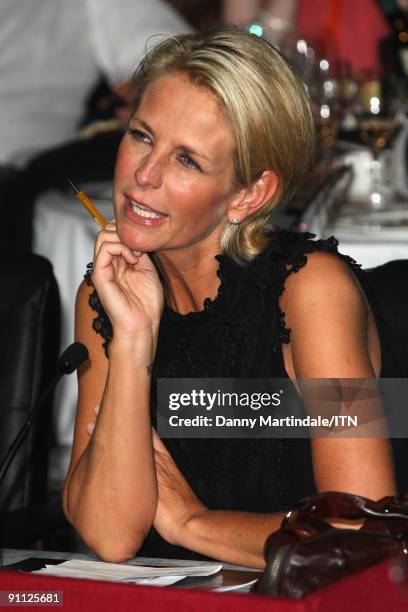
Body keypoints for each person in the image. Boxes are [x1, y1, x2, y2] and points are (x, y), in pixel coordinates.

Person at [63, 29, 396, 568]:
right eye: (142, 136)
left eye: (187, 161)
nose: (143, 176)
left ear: (249, 194)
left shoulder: (310, 293)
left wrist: (193, 524)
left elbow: (362, 535)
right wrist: (132, 338)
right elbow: (110, 534)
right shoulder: (107, 297)